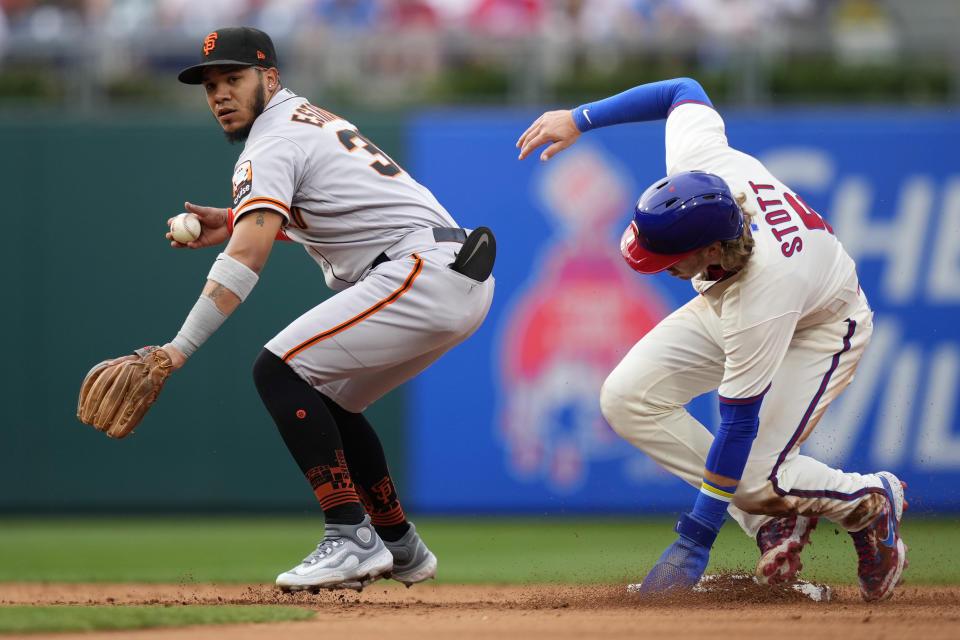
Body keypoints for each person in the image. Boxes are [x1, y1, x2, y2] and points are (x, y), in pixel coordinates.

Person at [123, 26, 495, 592]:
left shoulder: (271, 141)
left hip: (420, 272)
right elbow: (340, 214)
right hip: (452, 271)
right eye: (210, 85)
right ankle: (400, 545)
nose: (220, 94)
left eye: (234, 78)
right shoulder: (308, 120)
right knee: (329, 398)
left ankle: (349, 534)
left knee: (277, 369)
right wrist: (235, 219)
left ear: (269, 77)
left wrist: (177, 350)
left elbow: (245, 259)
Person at [516, 77, 906, 601]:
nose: (657, 267)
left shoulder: (759, 294)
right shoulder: (702, 171)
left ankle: (869, 501)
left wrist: (694, 539)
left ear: (710, 252)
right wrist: (580, 118)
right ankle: (771, 522)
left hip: (821, 327)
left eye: (667, 259)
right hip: (738, 298)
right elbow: (682, 89)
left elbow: (737, 425)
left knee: (755, 478)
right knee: (627, 398)